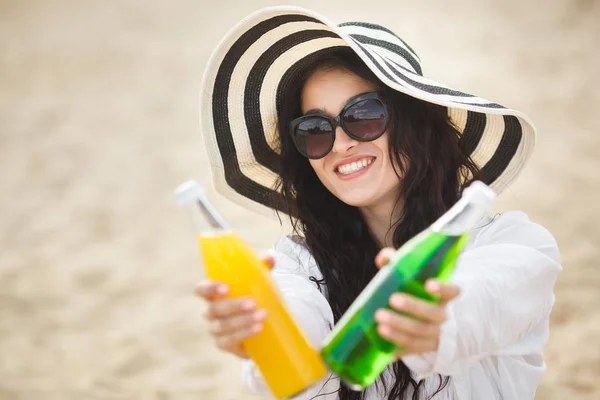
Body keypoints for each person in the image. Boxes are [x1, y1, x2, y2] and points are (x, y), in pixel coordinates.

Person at [194, 6, 561, 400]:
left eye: (364, 114)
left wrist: (432, 317)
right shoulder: (297, 264)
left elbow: (486, 294)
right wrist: (262, 325)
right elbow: (295, 318)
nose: (341, 143)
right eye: (315, 130)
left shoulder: (513, 243)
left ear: (414, 123)